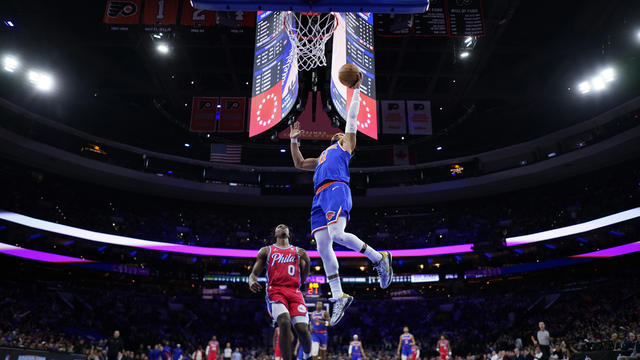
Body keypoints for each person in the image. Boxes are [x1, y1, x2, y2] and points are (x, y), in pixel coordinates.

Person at [289, 70, 393, 326]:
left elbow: (352, 118)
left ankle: (379, 258)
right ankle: (339, 296)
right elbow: (300, 164)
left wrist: (356, 90)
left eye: (342, 133)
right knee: (324, 247)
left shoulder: (345, 147)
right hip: (318, 198)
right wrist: (293, 141)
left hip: (336, 189)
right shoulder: (323, 156)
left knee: (336, 234)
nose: (338, 133)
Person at [249, 224, 313, 360]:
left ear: (289, 233)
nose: (282, 226)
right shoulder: (267, 250)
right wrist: (251, 281)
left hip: (295, 292)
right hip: (275, 291)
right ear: (275, 233)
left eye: (285, 226)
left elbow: (303, 279)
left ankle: (308, 355)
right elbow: (253, 274)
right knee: (284, 322)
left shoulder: (298, 251)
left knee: (302, 329)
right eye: (279, 226)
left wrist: (307, 262)